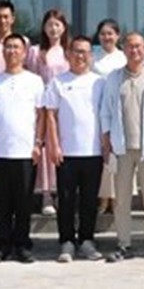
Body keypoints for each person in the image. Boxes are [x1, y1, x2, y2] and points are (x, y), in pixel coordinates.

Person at [99, 32, 144, 262]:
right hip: (121, 147)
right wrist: (106, 143)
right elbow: (106, 112)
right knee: (122, 200)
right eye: (130, 46)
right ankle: (124, 244)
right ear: (124, 49)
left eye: (139, 46)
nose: (135, 50)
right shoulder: (114, 78)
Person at [0, 33, 45, 264]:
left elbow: (41, 115)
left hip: (25, 152)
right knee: (1, 204)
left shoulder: (35, 81)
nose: (12, 51)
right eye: (8, 47)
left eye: (17, 47)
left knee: (24, 203)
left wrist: (38, 143)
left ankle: (22, 245)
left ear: (25, 53)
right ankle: (2, 246)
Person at [42, 34, 106, 263]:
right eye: (76, 51)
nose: (80, 56)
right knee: (66, 199)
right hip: (66, 152)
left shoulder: (100, 82)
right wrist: (54, 144)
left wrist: (106, 145)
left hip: (94, 152)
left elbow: (106, 115)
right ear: (68, 55)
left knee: (89, 200)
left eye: (85, 52)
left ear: (91, 56)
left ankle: (87, 240)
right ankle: (67, 241)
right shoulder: (57, 82)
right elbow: (50, 115)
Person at [32, 9, 72, 216]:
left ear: (64, 27)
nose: (53, 29)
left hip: (66, 104)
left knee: (64, 144)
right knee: (47, 149)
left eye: (57, 24)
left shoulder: (69, 51)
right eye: (49, 25)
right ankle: (47, 194)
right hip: (44, 104)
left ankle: (63, 192)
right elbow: (32, 78)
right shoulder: (37, 52)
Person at [91, 19, 125, 215]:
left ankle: (117, 198)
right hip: (97, 109)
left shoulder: (123, 57)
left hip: (119, 110)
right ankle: (103, 198)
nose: (106, 37)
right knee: (104, 153)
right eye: (103, 34)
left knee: (117, 154)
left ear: (117, 36)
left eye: (110, 33)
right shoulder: (93, 58)